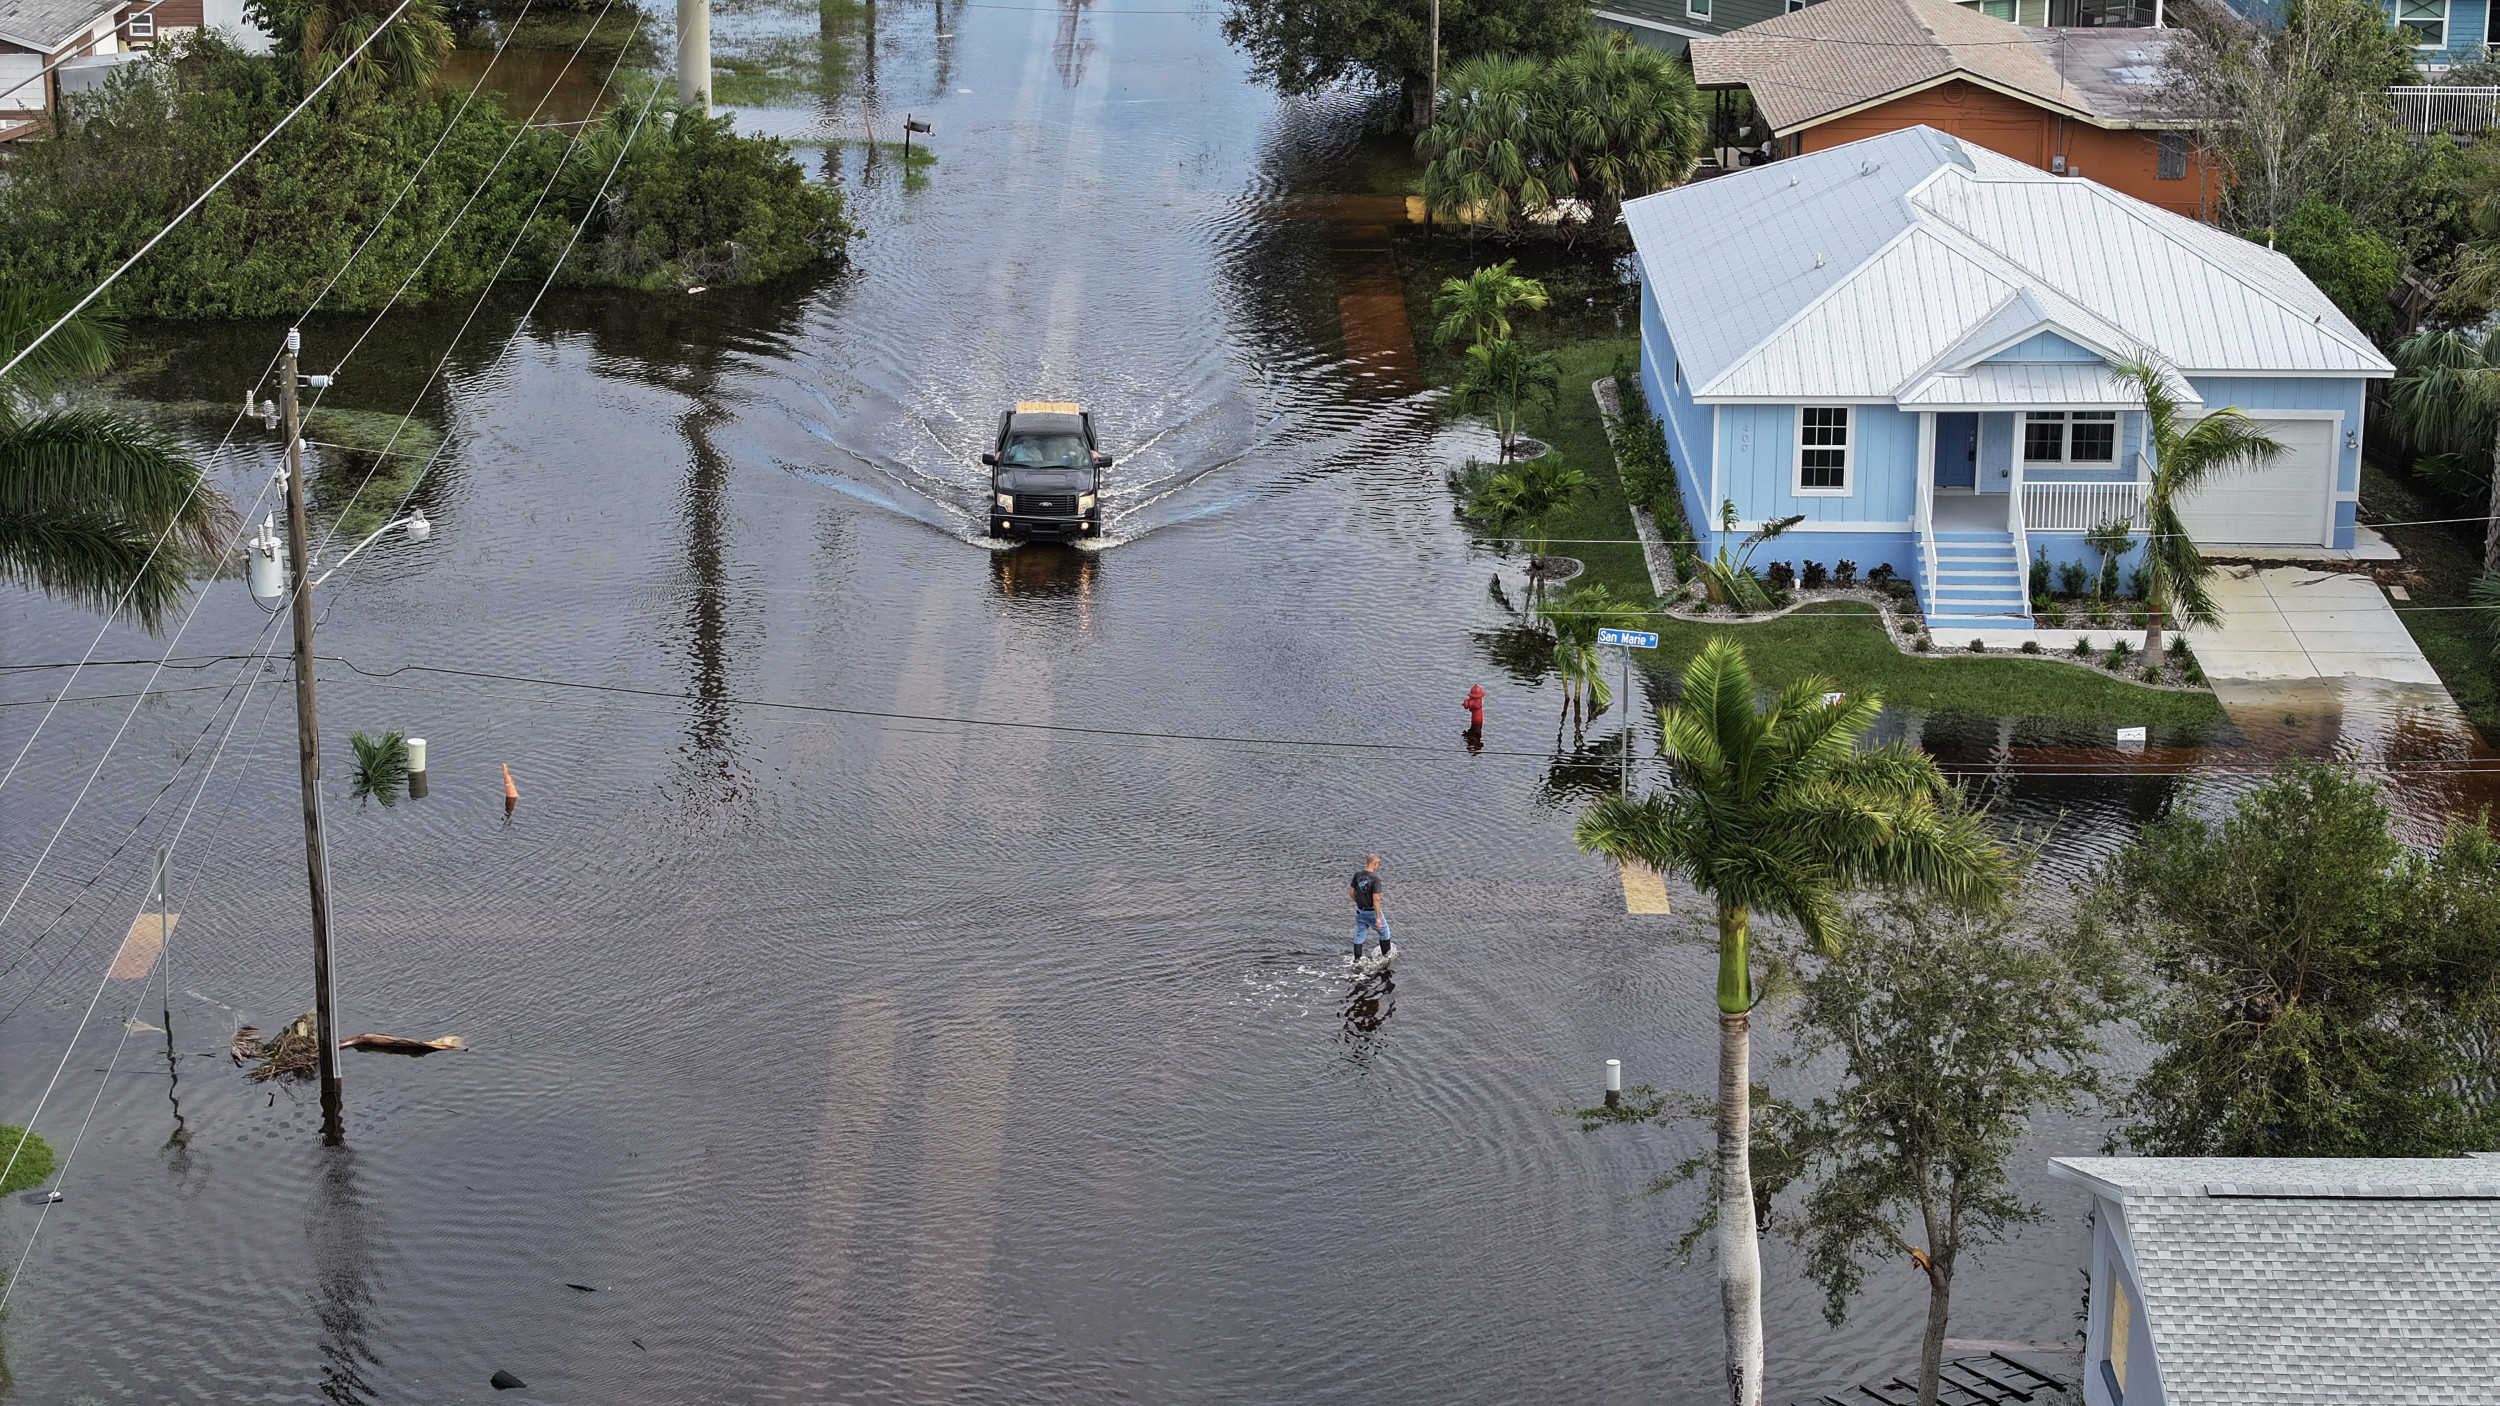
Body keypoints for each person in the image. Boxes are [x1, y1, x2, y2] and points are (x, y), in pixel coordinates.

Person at [1349, 854, 1390, 962]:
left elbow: (1352, 892)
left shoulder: (1357, 874)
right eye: (1378, 864)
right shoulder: (1375, 878)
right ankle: (1386, 958)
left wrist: (1359, 902)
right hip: (1372, 911)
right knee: (1384, 932)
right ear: (1373, 863)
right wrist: (1378, 918)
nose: (1378, 867)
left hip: (1360, 911)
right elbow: (1376, 899)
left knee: (1360, 934)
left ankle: (1357, 960)